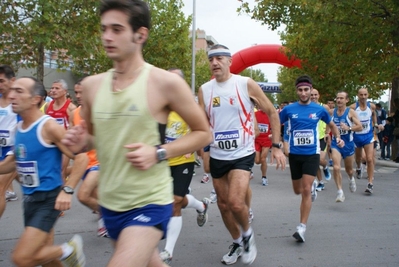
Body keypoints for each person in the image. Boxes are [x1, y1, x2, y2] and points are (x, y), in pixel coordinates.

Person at [61, 1, 212, 266]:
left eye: (117, 29)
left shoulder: (164, 82)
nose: (107, 36)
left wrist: (158, 152)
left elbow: (203, 133)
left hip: (150, 201)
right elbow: (96, 140)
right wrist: (80, 141)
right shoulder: (93, 86)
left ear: (140, 35)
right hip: (111, 202)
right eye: (104, 29)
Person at [198, 44, 286, 265]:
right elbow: (202, 124)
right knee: (223, 205)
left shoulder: (244, 84)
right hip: (218, 154)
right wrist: (205, 152)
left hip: (242, 153)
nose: (215, 63)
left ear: (229, 61)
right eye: (211, 59)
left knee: (236, 203)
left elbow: (272, 112)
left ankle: (248, 237)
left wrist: (276, 145)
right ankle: (237, 242)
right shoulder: (205, 90)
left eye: (219, 58)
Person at [0, 76, 85, 267]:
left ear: (35, 99)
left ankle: (70, 248)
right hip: (30, 199)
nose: (11, 95)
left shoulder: (48, 127)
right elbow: (10, 164)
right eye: (11, 90)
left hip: (48, 199)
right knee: (45, 258)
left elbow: (81, 157)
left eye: (19, 91)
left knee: (22, 258)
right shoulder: (18, 129)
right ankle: (63, 254)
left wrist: (68, 190)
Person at [279, 75, 343, 243]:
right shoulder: (289, 109)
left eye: (306, 89)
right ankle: (314, 185)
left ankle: (301, 227)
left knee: (305, 190)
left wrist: (337, 137)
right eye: (300, 90)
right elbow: (279, 124)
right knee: (297, 190)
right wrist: (279, 143)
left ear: (310, 90)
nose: (303, 93)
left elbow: (332, 125)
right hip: (294, 154)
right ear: (297, 91)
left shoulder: (319, 110)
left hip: (312, 154)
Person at [159, 68, 210, 265]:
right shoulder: (158, 106)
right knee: (168, 200)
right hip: (162, 161)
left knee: (175, 201)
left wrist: (193, 145)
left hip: (183, 161)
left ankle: (168, 252)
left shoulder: (190, 107)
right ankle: (201, 205)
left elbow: (202, 133)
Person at [69, 78, 108, 237]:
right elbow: (73, 146)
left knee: (83, 195)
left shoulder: (100, 111)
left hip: (99, 162)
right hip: (83, 163)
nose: (78, 95)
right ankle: (108, 218)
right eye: (76, 92)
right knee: (95, 198)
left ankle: (108, 219)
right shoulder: (74, 113)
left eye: (81, 92)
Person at [329, 91, 362, 202]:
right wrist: (326, 133)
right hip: (336, 143)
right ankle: (340, 192)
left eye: (341, 98)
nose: (338, 100)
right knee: (336, 167)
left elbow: (360, 127)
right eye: (337, 98)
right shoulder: (332, 112)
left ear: (347, 100)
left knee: (349, 170)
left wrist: (349, 128)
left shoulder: (350, 112)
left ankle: (351, 178)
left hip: (348, 144)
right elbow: (329, 125)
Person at [349, 88, 377, 193]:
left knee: (369, 159)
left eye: (365, 94)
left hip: (368, 135)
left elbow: (374, 115)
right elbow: (347, 116)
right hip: (356, 136)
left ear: (368, 95)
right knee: (359, 158)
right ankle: (359, 167)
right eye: (361, 95)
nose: (363, 97)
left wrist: (376, 124)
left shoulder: (372, 106)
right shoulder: (353, 107)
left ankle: (370, 183)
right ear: (358, 95)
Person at [0, 65, 19, 216]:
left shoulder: (20, 100)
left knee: (1, 187)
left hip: (14, 151)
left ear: (12, 80)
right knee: (31, 183)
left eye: (1, 81)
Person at [309, 89, 332, 191]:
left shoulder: (324, 107)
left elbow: (329, 121)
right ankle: (321, 182)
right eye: (312, 95)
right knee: (315, 161)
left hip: (322, 137)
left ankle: (325, 167)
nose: (313, 96)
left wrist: (327, 132)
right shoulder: (306, 107)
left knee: (320, 160)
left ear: (319, 95)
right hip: (311, 138)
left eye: (315, 95)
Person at [254, 106, 272, 186]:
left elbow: (273, 127)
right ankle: (261, 160)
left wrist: (272, 135)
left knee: (263, 159)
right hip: (257, 140)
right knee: (257, 161)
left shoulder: (270, 115)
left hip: (266, 139)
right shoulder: (255, 114)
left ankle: (264, 177)